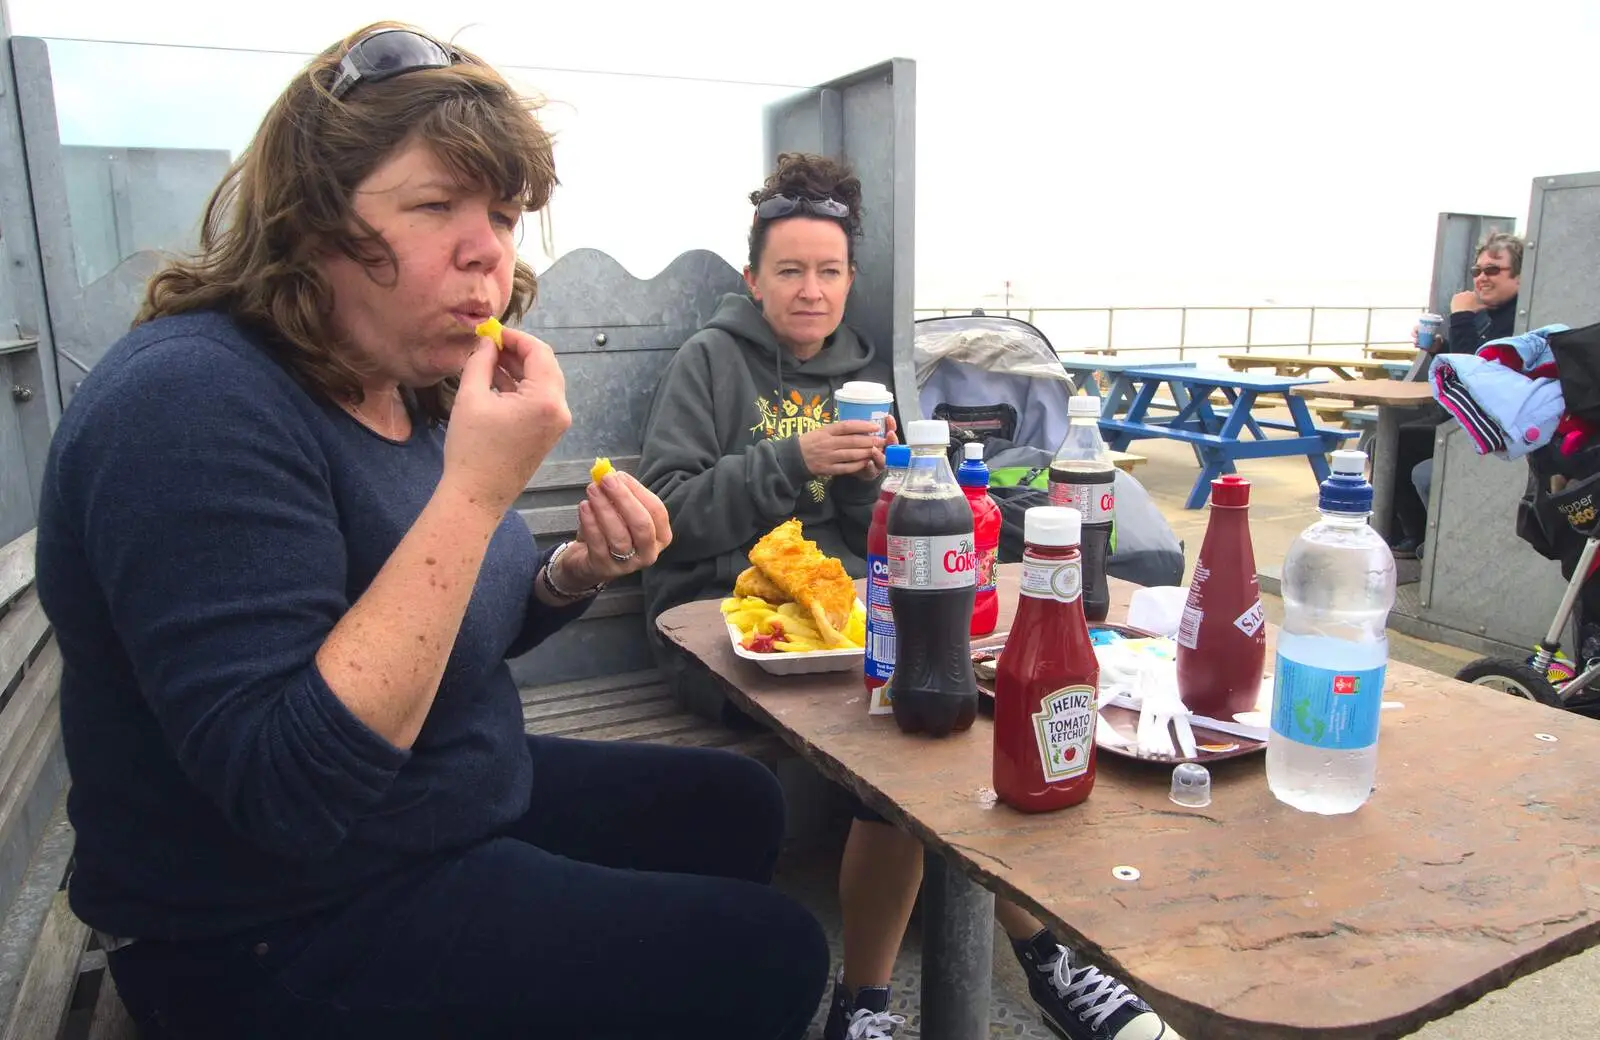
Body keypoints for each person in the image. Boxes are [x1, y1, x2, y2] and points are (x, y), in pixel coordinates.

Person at [32, 24, 827, 1039]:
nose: (486, 246)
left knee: (736, 806)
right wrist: (473, 496)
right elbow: (289, 789)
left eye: (500, 212)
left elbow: (446, 620)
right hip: (268, 927)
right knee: (770, 951)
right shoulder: (190, 407)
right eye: (435, 204)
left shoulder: (403, 386)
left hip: (431, 797)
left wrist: (573, 572)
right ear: (309, 221)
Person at [638, 153, 1167, 1040]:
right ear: (753, 279)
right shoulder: (711, 363)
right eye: (791, 271)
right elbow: (670, 517)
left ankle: (994, 974)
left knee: (965, 705)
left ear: (850, 279)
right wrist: (792, 459)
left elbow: (868, 543)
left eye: (829, 271)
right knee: (915, 737)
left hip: (847, 627)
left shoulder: (867, 374)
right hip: (727, 632)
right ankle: (984, 979)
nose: (812, 291)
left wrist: (878, 480)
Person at [1394, 231, 1523, 556]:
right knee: (1395, 440)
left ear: (1520, 277)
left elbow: (1474, 376)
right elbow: (1474, 356)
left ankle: (1430, 544)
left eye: (1493, 270)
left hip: (1495, 435)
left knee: (1412, 452)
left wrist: (1461, 316)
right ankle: (1409, 536)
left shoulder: (1519, 319)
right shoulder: (1491, 318)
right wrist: (1440, 347)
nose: (1481, 278)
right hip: (1470, 425)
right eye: (1477, 271)